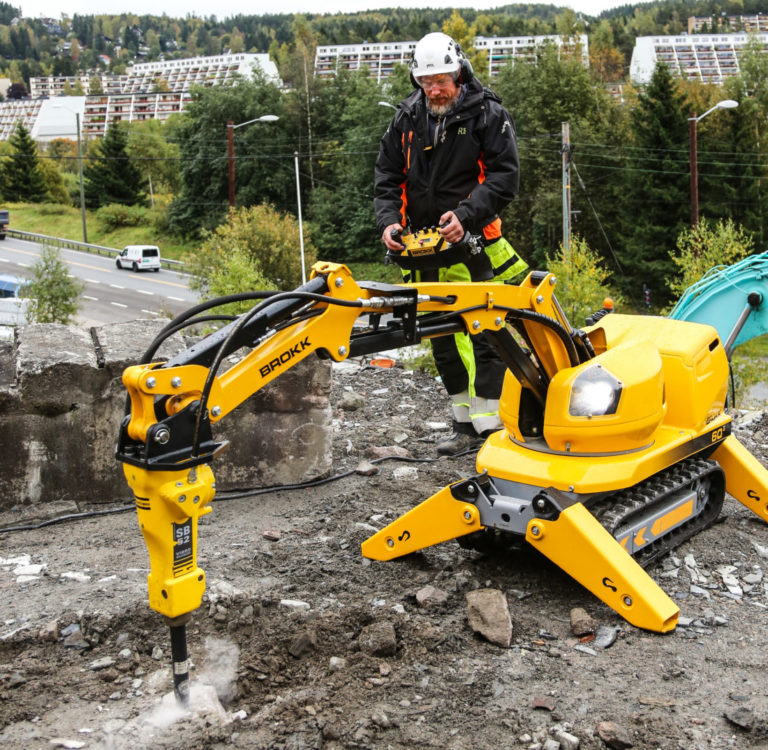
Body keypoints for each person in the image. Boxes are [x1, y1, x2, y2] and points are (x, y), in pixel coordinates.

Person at [374, 31, 527, 455]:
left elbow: (504, 177)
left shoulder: (488, 114)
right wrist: (389, 222)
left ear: (459, 73)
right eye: (426, 82)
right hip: (424, 250)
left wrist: (465, 215)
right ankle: (463, 424)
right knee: (441, 337)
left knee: (486, 333)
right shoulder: (406, 118)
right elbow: (387, 176)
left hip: (477, 243)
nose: (434, 90)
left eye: (441, 80)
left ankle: (492, 429)